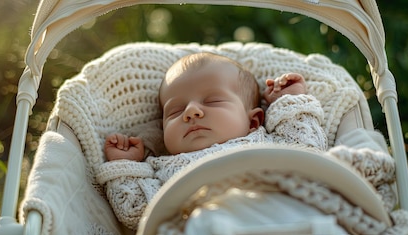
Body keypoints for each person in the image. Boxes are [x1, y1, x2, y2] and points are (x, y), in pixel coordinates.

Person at [95, 52, 328, 230]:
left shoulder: (267, 143)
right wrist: (127, 167)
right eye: (175, 111)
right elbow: (136, 213)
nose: (191, 111)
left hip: (280, 220)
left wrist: (289, 100)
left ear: (254, 121)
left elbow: (308, 149)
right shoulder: (162, 170)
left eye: (213, 101)